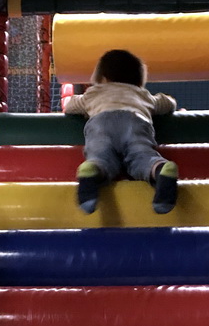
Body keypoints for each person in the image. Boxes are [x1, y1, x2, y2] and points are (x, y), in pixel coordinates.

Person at [63, 49, 179, 214]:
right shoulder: (142, 94)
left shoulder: (94, 93)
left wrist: (85, 108)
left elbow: (70, 107)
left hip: (102, 123)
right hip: (136, 121)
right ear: (138, 80)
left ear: (102, 78)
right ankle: (159, 168)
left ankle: (92, 169)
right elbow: (168, 104)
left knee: (101, 156)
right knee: (141, 156)